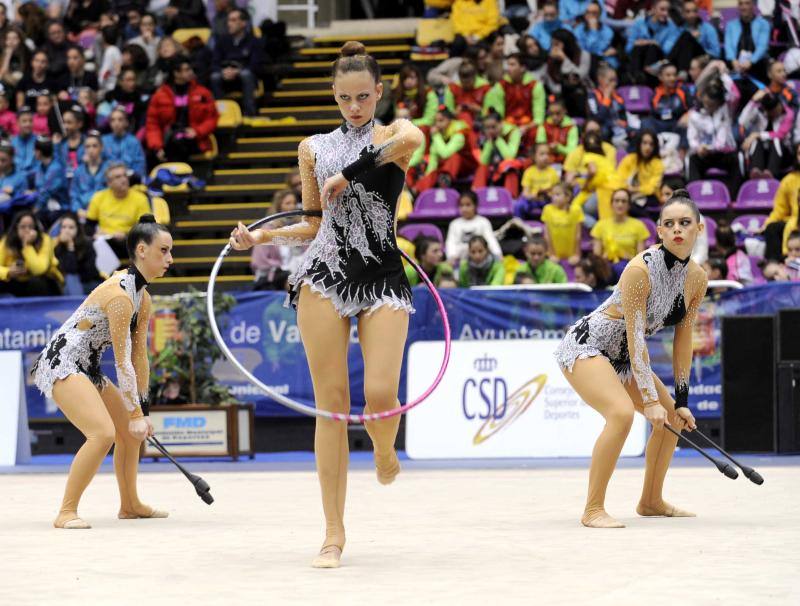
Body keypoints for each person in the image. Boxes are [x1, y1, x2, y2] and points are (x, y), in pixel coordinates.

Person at [228, 41, 425, 569]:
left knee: (381, 392)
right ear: (334, 96)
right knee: (331, 405)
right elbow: (314, 224)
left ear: (379, 92)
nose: (354, 107)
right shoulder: (312, 146)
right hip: (324, 272)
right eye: (344, 98)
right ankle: (333, 533)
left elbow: (416, 136)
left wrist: (355, 170)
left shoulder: (393, 135)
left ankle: (384, 451)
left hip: (381, 271)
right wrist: (261, 239)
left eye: (363, 96)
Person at [555, 189, 707, 528]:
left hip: (622, 357)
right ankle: (593, 509)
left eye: (685, 222)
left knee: (671, 420)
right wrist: (649, 398)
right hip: (588, 345)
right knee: (621, 414)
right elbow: (636, 335)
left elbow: (684, 340)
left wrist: (680, 400)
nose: (677, 229)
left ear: (699, 228)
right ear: (659, 231)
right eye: (670, 224)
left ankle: (651, 500)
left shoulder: (697, 278)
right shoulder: (640, 269)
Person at [32, 215, 172, 529]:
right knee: (103, 433)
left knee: (128, 434)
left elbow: (140, 357)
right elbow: (122, 361)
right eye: (163, 251)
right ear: (141, 250)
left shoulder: (142, 297)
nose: (170, 259)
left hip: (89, 368)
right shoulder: (120, 296)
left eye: (170, 251)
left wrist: (142, 411)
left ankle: (130, 504)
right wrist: (137, 414)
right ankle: (66, 512)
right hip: (63, 363)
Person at [146, 56, 219, 163]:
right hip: (168, 139)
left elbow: (212, 118)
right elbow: (152, 125)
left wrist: (197, 131)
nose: (191, 72)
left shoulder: (203, 93)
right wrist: (157, 147)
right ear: (176, 73)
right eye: (186, 69)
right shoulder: (160, 95)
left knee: (179, 143)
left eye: (190, 69)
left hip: (195, 139)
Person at [687, 60, 742, 195]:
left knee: (736, 160)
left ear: (719, 102)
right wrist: (697, 147)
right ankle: (695, 199)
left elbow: (736, 95)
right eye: (706, 103)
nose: (709, 106)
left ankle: (732, 199)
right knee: (692, 160)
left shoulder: (726, 109)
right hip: (704, 152)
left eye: (712, 104)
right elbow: (691, 135)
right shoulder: (695, 114)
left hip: (724, 153)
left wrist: (723, 74)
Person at [86, 163, 151, 258]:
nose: (123, 179)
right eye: (118, 177)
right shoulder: (99, 197)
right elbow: (89, 225)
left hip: (128, 241)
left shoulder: (140, 199)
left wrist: (126, 235)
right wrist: (95, 233)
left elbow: (145, 228)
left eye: (125, 175)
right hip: (105, 240)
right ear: (109, 183)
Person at [484, 53, 546, 145]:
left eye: (512, 65)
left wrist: (526, 127)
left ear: (522, 67)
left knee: (540, 130)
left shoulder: (535, 86)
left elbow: (538, 117)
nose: (508, 68)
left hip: (528, 125)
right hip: (507, 126)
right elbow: (498, 115)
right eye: (508, 65)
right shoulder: (500, 86)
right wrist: (512, 129)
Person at [210, 8, 262, 117]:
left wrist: (237, 71)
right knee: (214, 77)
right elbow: (214, 62)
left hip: (245, 76)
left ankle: (250, 113)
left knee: (246, 74)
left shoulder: (254, 41)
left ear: (243, 23)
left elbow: (256, 65)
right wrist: (223, 71)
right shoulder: (222, 41)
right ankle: (221, 113)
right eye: (229, 20)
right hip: (225, 76)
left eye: (233, 20)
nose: (229, 24)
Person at [0, 209, 63, 296]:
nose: (27, 230)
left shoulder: (45, 240)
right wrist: (8, 272)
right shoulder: (7, 241)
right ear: (16, 228)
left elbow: (39, 269)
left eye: (31, 227)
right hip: (15, 280)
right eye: (23, 227)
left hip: (43, 282)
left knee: (36, 282)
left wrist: (27, 245)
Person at [414, 106, 478, 191]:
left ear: (450, 120)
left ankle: (445, 180)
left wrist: (436, 136)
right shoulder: (439, 135)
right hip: (447, 169)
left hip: (466, 167)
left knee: (455, 157)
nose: (437, 124)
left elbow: (446, 154)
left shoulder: (459, 132)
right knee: (433, 172)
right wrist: (427, 176)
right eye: (436, 121)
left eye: (441, 121)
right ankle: (416, 191)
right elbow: (434, 161)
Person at [591, 189, 651, 276]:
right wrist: (604, 258)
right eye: (617, 201)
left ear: (629, 205)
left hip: (629, 266)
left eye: (624, 201)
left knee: (620, 268)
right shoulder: (600, 225)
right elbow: (596, 257)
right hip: (606, 266)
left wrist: (627, 257)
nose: (620, 204)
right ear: (611, 204)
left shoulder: (638, 225)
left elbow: (640, 259)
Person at [738, 89, 795, 179]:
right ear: (767, 110)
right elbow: (742, 122)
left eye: (779, 107)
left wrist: (757, 135)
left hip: (782, 153)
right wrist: (752, 101)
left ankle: (771, 174)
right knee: (755, 141)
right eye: (774, 111)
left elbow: (780, 134)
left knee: (775, 140)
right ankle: (756, 172)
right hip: (760, 153)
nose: (778, 111)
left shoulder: (788, 113)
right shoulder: (759, 110)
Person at [724, 0, 771, 96]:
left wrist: (751, 62)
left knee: (764, 62)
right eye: (740, 4)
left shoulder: (764, 24)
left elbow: (763, 46)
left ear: (753, 6)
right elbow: (728, 45)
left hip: (756, 63)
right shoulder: (730, 25)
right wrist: (733, 60)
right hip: (736, 64)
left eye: (747, 3)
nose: (743, 7)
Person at [472, 109, 522, 196]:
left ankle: (510, 198)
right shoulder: (484, 137)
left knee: (509, 166)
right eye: (487, 128)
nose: (490, 131)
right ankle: (477, 197)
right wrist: (490, 143)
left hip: (513, 167)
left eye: (493, 127)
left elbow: (510, 156)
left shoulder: (513, 132)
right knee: (482, 168)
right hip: (493, 167)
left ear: (501, 124)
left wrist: (498, 139)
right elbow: (483, 161)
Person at [445, 190, 503, 263]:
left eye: (468, 205)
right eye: (461, 205)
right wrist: (451, 257)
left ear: (475, 205)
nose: (464, 209)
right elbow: (451, 243)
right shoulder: (454, 224)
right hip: (460, 261)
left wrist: (498, 254)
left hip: (481, 260)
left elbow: (490, 240)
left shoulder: (483, 222)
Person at [53, 212, 102, 295]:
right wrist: (69, 248)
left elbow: (89, 272)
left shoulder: (87, 244)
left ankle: (75, 306)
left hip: (89, 284)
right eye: (64, 227)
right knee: (68, 282)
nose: (67, 230)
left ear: (77, 229)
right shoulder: (57, 246)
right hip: (70, 284)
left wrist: (70, 247)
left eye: (71, 227)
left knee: (71, 278)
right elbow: (66, 270)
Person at [617, 130, 665, 213]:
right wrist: (627, 189)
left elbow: (652, 188)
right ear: (639, 144)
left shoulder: (657, 163)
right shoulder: (629, 159)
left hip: (649, 197)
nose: (648, 147)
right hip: (627, 193)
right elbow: (619, 179)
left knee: (631, 207)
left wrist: (635, 189)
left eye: (651, 144)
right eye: (645, 143)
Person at [31, 136, 69, 228]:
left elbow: (46, 191)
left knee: (34, 218)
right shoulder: (41, 166)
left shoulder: (56, 168)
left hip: (60, 208)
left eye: (34, 150)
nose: (33, 153)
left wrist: (36, 208)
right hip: (45, 207)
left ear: (38, 152)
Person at [541, 181, 584, 264]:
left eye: (557, 195)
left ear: (568, 197)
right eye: (553, 195)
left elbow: (578, 235)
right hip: (554, 255)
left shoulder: (576, 210)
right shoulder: (547, 209)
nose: (554, 198)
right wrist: (551, 254)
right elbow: (547, 235)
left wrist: (577, 255)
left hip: (571, 255)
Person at [442, 60, 492, 128]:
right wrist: (455, 112)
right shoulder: (452, 88)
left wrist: (479, 110)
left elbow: (491, 112)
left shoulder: (485, 87)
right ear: (459, 78)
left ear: (475, 77)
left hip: (481, 121)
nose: (466, 85)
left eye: (468, 82)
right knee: (465, 116)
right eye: (463, 83)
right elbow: (447, 113)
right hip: (458, 123)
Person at [70, 132, 108, 218]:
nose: (91, 150)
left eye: (95, 146)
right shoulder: (78, 171)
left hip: (103, 213)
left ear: (101, 148)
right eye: (88, 146)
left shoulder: (108, 169)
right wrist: (78, 210)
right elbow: (74, 194)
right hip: (82, 212)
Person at [518, 142, 560, 218]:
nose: (546, 157)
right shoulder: (529, 172)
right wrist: (534, 195)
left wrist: (548, 194)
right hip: (533, 200)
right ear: (534, 156)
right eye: (542, 154)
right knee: (520, 205)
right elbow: (525, 193)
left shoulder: (553, 172)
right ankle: (519, 225)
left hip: (547, 201)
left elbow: (556, 191)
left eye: (548, 154)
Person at [390, 63, 438, 128]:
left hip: (423, 127)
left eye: (412, 77)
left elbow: (430, 120)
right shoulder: (398, 94)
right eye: (405, 78)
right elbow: (398, 115)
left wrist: (411, 122)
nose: (408, 81)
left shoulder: (428, 93)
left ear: (418, 79)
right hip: (403, 126)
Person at [102, 108, 146, 179]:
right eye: (113, 120)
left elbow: (140, 165)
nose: (116, 123)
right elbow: (100, 163)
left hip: (130, 179)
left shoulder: (134, 142)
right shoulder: (104, 141)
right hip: (108, 180)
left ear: (126, 122)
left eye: (120, 120)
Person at [535, 97, 578, 164]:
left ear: (564, 111)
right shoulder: (544, 126)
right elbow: (539, 146)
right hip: (547, 161)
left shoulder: (571, 127)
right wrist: (549, 148)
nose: (554, 117)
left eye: (558, 113)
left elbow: (572, 151)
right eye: (551, 114)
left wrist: (559, 148)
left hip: (566, 162)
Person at [12, 106, 36, 176]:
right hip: (16, 180)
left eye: (30, 121)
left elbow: (39, 166)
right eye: (24, 121)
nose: (28, 124)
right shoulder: (12, 143)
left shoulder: (38, 142)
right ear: (17, 123)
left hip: (34, 179)